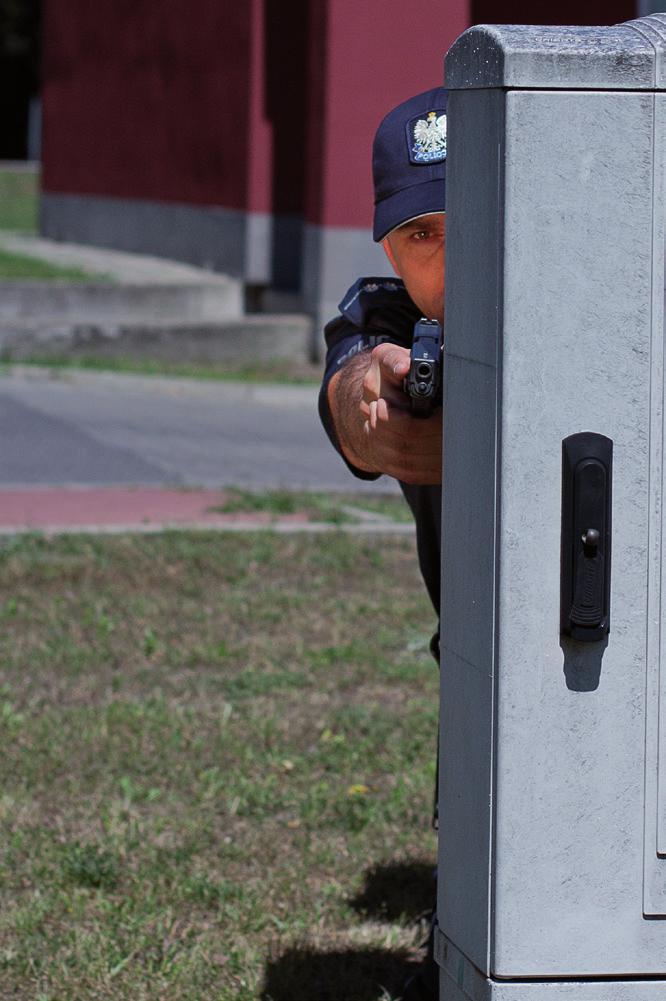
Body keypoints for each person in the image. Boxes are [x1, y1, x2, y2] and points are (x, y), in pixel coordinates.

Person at [318, 87, 447, 1001]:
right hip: (478, 647)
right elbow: (353, 378)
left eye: (469, 216)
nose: (450, 253)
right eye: (421, 235)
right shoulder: (391, 313)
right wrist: (367, 392)